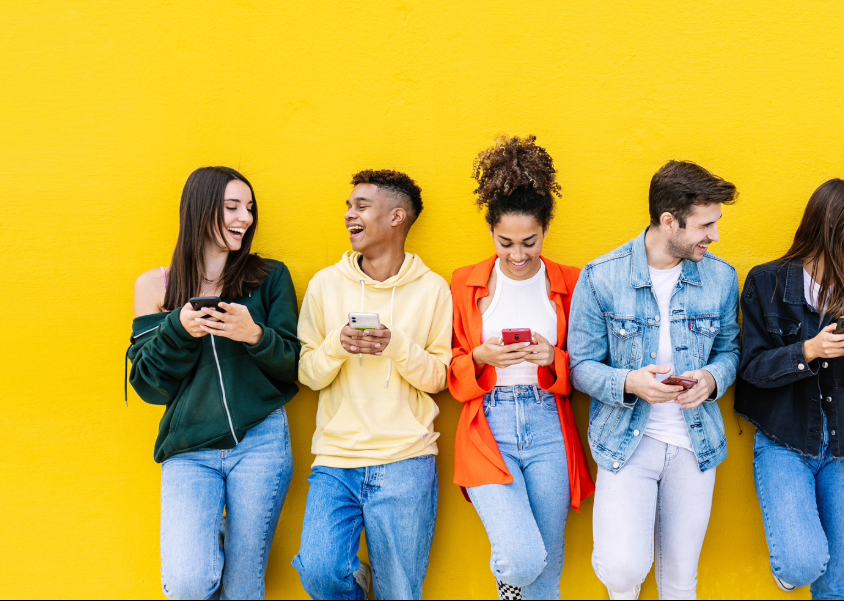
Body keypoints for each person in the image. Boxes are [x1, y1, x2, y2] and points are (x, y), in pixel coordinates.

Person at [568, 160, 741, 600]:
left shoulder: (721, 277)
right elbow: (580, 366)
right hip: (627, 441)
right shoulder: (601, 276)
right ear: (669, 222)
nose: (715, 235)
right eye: (706, 225)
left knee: (681, 582)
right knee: (623, 571)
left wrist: (712, 378)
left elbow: (729, 352)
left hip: (694, 442)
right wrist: (630, 382)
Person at [128, 166, 300, 599]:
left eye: (249, 208)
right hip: (189, 450)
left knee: (243, 589)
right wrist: (179, 329)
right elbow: (150, 385)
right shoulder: (155, 286)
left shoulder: (269, 277)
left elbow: (295, 364)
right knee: (188, 584)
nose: (244, 218)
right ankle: (213, 540)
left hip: (261, 442)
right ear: (200, 209)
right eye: (231, 207)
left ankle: (222, 541)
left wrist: (255, 335)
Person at [292, 169, 453, 600]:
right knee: (320, 572)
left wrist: (396, 344)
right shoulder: (325, 285)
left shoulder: (434, 290)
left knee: (400, 592)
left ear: (397, 217)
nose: (349, 215)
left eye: (361, 206)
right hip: (336, 459)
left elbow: (439, 379)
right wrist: (337, 345)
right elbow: (306, 373)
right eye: (349, 206)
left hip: (406, 459)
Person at [448, 136, 595, 600]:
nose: (517, 254)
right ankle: (507, 577)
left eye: (529, 242)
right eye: (505, 242)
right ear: (490, 232)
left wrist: (554, 358)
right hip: (487, 424)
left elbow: (590, 368)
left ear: (546, 230)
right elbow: (449, 367)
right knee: (522, 557)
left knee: (547, 572)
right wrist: (479, 358)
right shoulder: (464, 283)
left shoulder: (573, 283)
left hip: (549, 422)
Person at [735, 179, 844, 599]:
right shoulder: (767, 284)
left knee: (838, 585)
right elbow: (750, 368)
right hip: (784, 443)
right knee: (803, 562)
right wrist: (807, 350)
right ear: (836, 221)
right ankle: (792, 568)